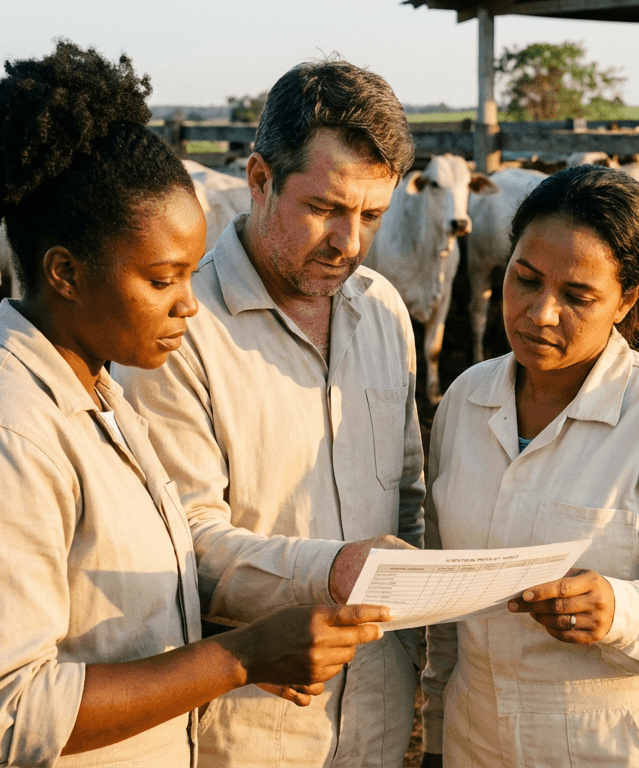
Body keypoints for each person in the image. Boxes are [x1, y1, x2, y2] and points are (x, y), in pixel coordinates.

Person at [0, 43, 390, 768]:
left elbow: (138, 602)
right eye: (161, 279)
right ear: (65, 272)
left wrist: (262, 644)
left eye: (188, 275)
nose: (189, 304)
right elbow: (3, 716)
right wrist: (238, 657)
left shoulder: (95, 395)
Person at [114, 59, 424, 768]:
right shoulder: (178, 327)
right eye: (325, 208)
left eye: (371, 216)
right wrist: (334, 570)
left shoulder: (383, 311)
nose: (349, 242)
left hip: (379, 712)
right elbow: (180, 542)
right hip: (250, 728)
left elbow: (406, 498)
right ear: (260, 179)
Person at [420, 165, 639, 767]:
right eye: (525, 280)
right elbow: (447, 613)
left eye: (577, 297)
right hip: (477, 738)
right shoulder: (465, 402)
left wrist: (620, 610)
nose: (540, 313)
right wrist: (438, 740)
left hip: (615, 745)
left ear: (627, 299)